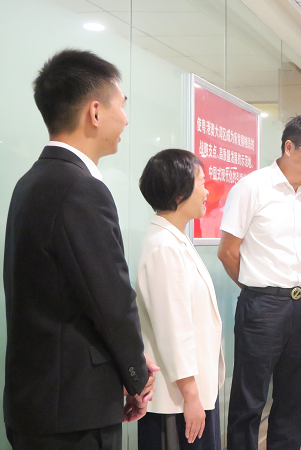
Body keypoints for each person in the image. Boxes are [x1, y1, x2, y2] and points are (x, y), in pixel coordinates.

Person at [3, 49, 157, 449]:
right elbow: (110, 299)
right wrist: (137, 375)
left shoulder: (31, 182)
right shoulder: (80, 188)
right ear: (95, 112)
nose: (126, 119)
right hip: (74, 411)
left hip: (39, 401)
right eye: (122, 105)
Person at [219, 116, 301, 450]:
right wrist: (258, 288)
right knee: (250, 397)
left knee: (295, 396)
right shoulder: (252, 187)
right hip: (263, 305)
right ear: (289, 147)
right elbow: (228, 252)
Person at [136, 149, 225, 450]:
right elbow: (173, 331)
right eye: (201, 182)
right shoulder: (164, 247)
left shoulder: (176, 239)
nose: (207, 191)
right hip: (177, 401)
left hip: (190, 393)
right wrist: (191, 395)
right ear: (179, 192)